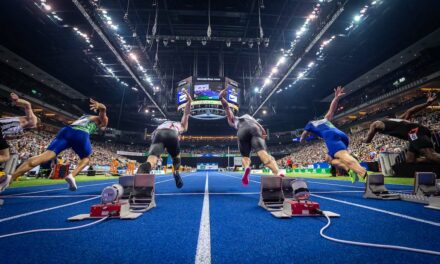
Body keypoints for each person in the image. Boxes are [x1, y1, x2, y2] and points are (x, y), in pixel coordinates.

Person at [0, 99, 108, 192]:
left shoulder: (85, 117)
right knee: (86, 158)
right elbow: (103, 110)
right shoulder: (101, 120)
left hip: (66, 131)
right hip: (81, 133)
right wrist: (100, 107)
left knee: (44, 157)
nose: (103, 128)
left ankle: (10, 178)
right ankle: (72, 175)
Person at [300, 86, 367, 183]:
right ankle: (348, 170)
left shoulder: (309, 124)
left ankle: (366, 175)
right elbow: (332, 109)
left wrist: (303, 141)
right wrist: (336, 98)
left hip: (331, 136)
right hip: (342, 135)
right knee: (329, 159)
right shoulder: (325, 119)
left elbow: (303, 135)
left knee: (344, 156)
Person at [218, 88, 282, 186]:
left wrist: (221, 98)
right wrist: (263, 131)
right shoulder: (248, 116)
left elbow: (226, 107)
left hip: (241, 131)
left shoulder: (234, 120)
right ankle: (277, 173)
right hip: (254, 128)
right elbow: (257, 124)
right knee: (263, 154)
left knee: (245, 157)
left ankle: (247, 168)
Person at [137, 90, 192, 189]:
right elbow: (186, 113)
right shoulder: (182, 126)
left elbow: (153, 136)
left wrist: (158, 150)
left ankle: (145, 168)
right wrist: (189, 101)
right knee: (176, 157)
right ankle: (176, 172)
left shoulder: (163, 123)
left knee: (152, 159)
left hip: (158, 133)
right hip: (172, 134)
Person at [364, 92, 439, 164]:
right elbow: (410, 111)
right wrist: (427, 103)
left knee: (431, 155)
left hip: (414, 132)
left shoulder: (374, 124)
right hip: (415, 132)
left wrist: (363, 141)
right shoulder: (396, 120)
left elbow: (368, 140)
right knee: (410, 160)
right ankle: (432, 160)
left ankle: (433, 158)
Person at [0, 93, 38, 164]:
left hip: (2, 132)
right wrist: (17, 100)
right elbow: (28, 105)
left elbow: (5, 137)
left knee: (5, 155)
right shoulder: (33, 121)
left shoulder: (19, 126)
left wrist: (17, 137)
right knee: (5, 156)